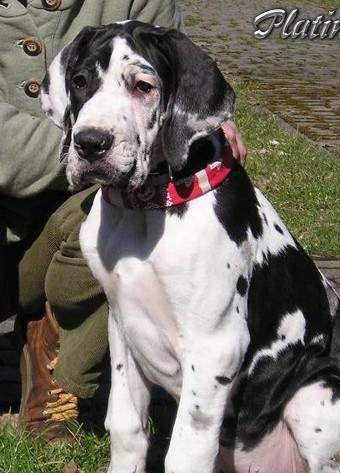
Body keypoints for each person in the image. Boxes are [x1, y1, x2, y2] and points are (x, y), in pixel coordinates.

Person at [0, 0, 246, 442]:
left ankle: (59, 360)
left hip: (92, 206)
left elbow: (175, 95)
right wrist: (99, 145)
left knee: (132, 212)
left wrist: (193, 135)